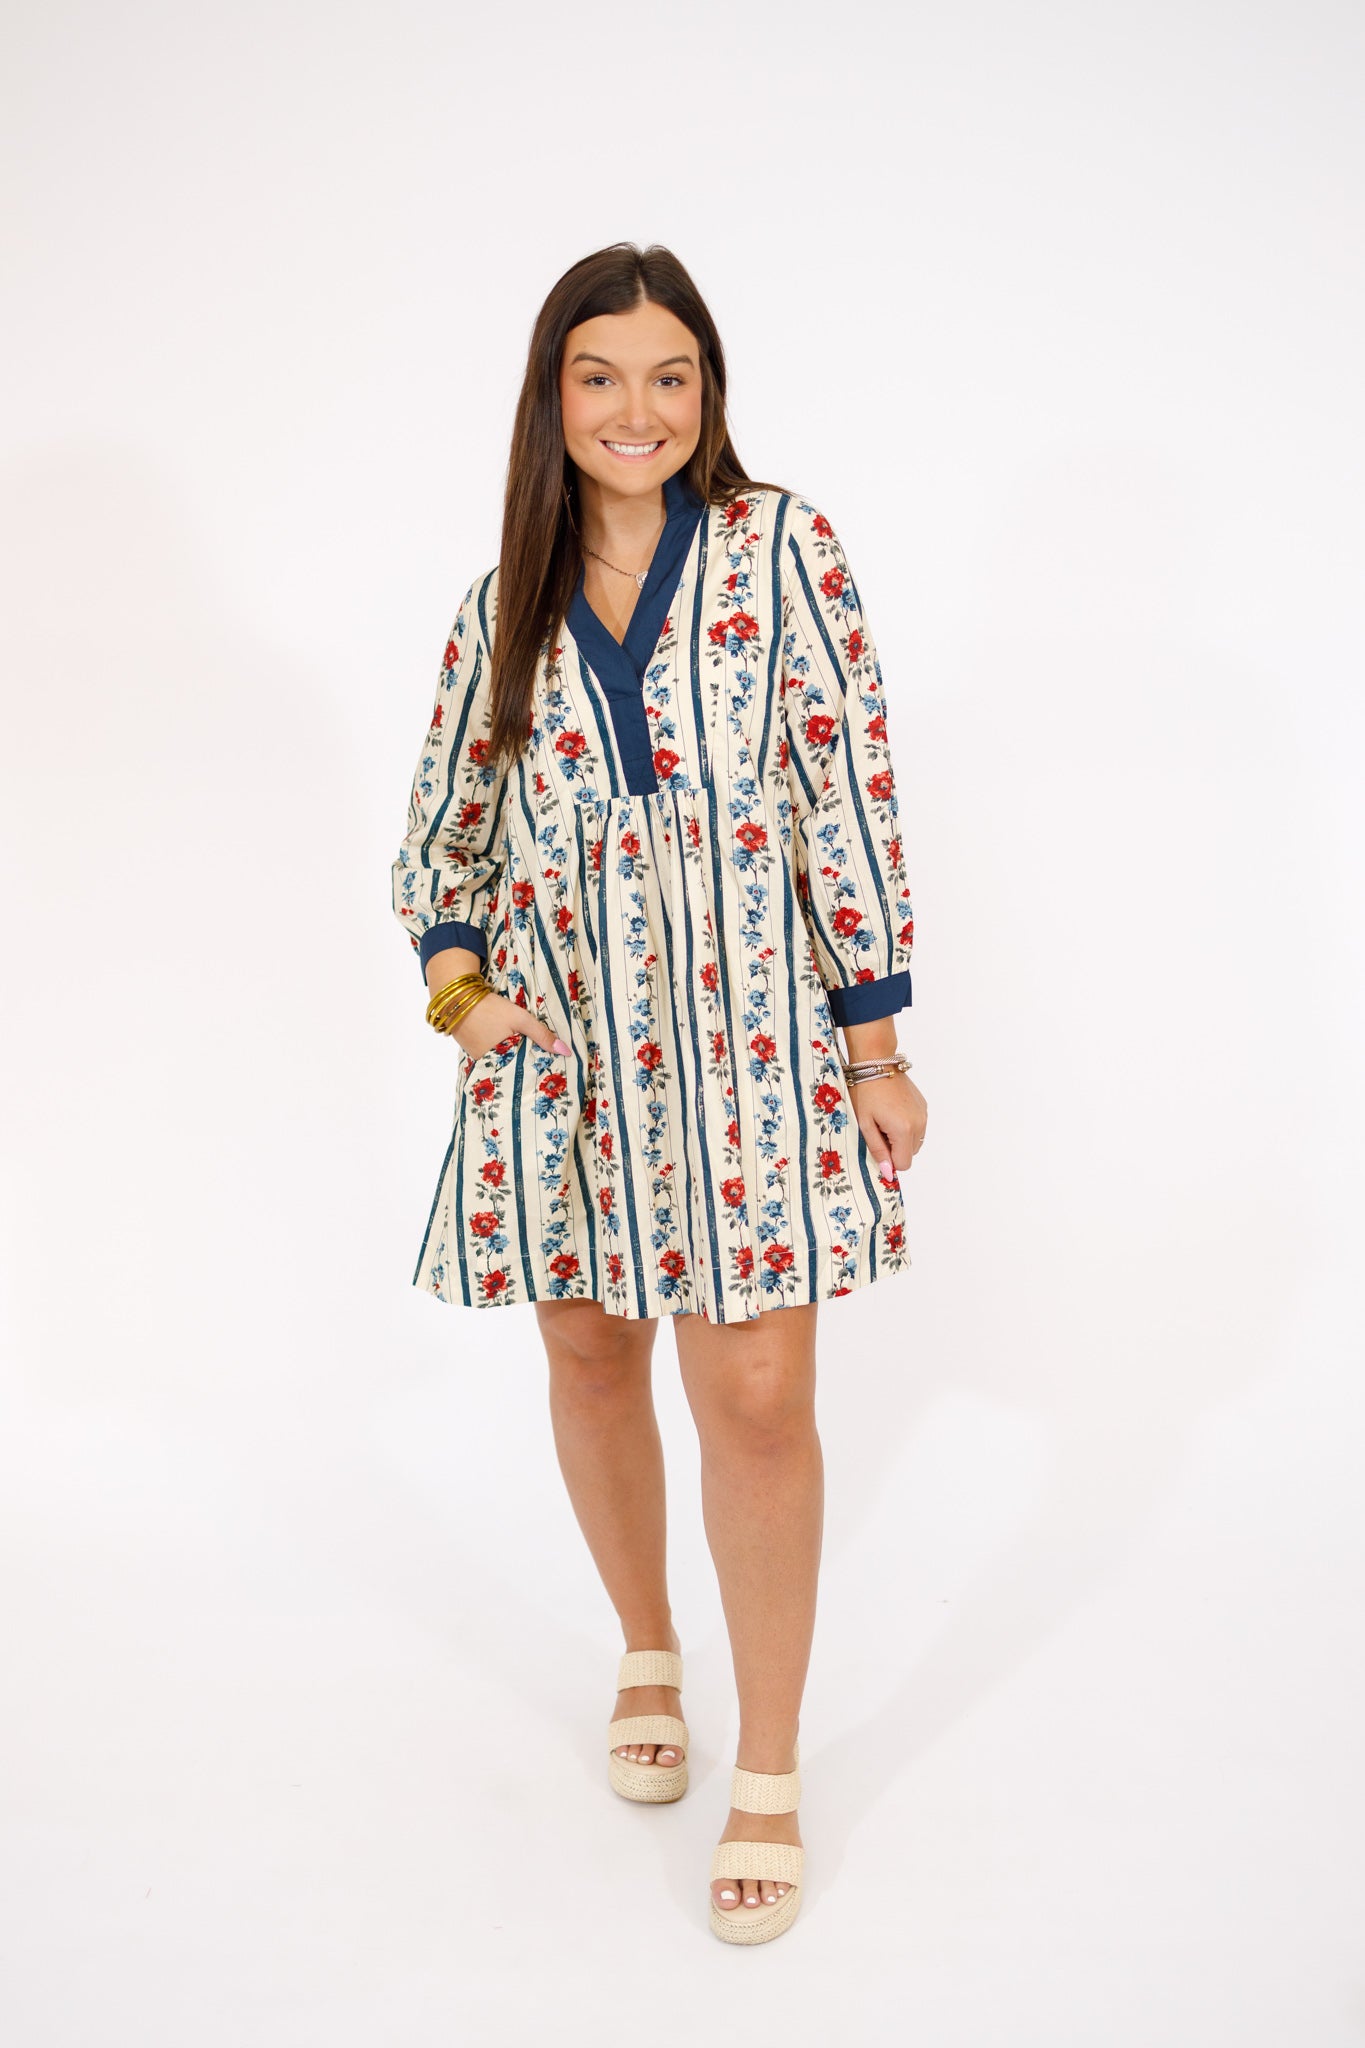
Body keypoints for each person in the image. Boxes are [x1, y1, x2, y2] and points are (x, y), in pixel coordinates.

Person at [390, 241, 928, 1944]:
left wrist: (876, 1045)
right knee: (588, 1347)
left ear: (708, 392)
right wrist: (463, 997)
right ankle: (645, 1644)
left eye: (670, 375)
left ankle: (765, 1764)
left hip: (756, 1044)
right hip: (566, 1060)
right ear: (552, 399)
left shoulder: (782, 549)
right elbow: (443, 848)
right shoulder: (501, 604)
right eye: (600, 375)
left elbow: (846, 797)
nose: (638, 408)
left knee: (758, 1395)